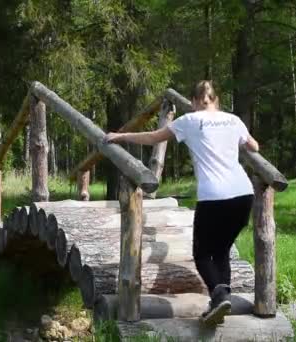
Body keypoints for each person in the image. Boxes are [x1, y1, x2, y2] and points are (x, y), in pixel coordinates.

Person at [103, 80, 259, 326]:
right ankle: (222, 297)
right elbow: (254, 146)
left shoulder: (190, 121)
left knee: (202, 252)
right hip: (243, 195)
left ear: (195, 102)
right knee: (221, 250)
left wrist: (121, 135)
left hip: (214, 196)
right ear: (215, 100)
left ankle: (218, 296)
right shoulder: (234, 120)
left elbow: (154, 137)